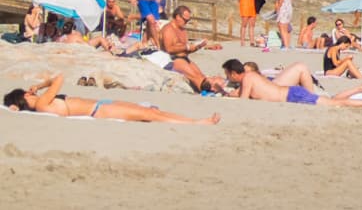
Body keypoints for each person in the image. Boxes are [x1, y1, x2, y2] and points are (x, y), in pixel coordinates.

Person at [6, 73, 220, 124]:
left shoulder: (41, 105)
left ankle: (193, 121)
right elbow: (60, 77)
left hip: (101, 105)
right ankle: (196, 123)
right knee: (149, 114)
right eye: (29, 91)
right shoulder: (42, 103)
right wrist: (41, 85)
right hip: (100, 111)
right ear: (26, 95)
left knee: (151, 112)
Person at [222, 60, 362, 107]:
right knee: (332, 101)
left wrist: (225, 96)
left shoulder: (248, 78)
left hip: (293, 95)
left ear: (234, 73)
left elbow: (243, 100)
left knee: (334, 103)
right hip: (291, 93)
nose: (228, 78)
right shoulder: (251, 77)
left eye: (228, 75)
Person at [157, 7, 225, 93]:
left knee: (201, 75)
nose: (186, 22)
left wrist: (198, 46)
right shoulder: (168, 29)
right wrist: (187, 47)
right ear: (178, 17)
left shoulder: (182, 30)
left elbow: (187, 49)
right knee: (196, 78)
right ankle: (209, 91)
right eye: (185, 20)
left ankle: (213, 87)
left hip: (184, 58)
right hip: (172, 59)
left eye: (188, 20)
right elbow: (169, 49)